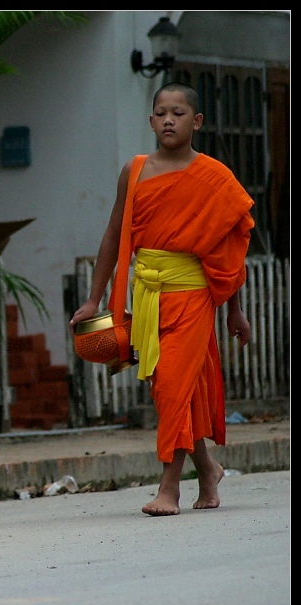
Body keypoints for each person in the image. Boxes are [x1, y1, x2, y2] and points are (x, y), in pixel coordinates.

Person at [69, 82, 254, 517]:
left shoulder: (214, 176)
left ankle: (168, 489)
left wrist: (235, 309)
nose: (169, 119)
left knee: (172, 386)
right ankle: (208, 471)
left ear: (197, 121)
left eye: (179, 112)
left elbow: (230, 248)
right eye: (161, 112)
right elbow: (114, 236)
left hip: (191, 294)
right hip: (148, 297)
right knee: (172, 392)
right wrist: (95, 300)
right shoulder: (134, 170)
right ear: (151, 120)